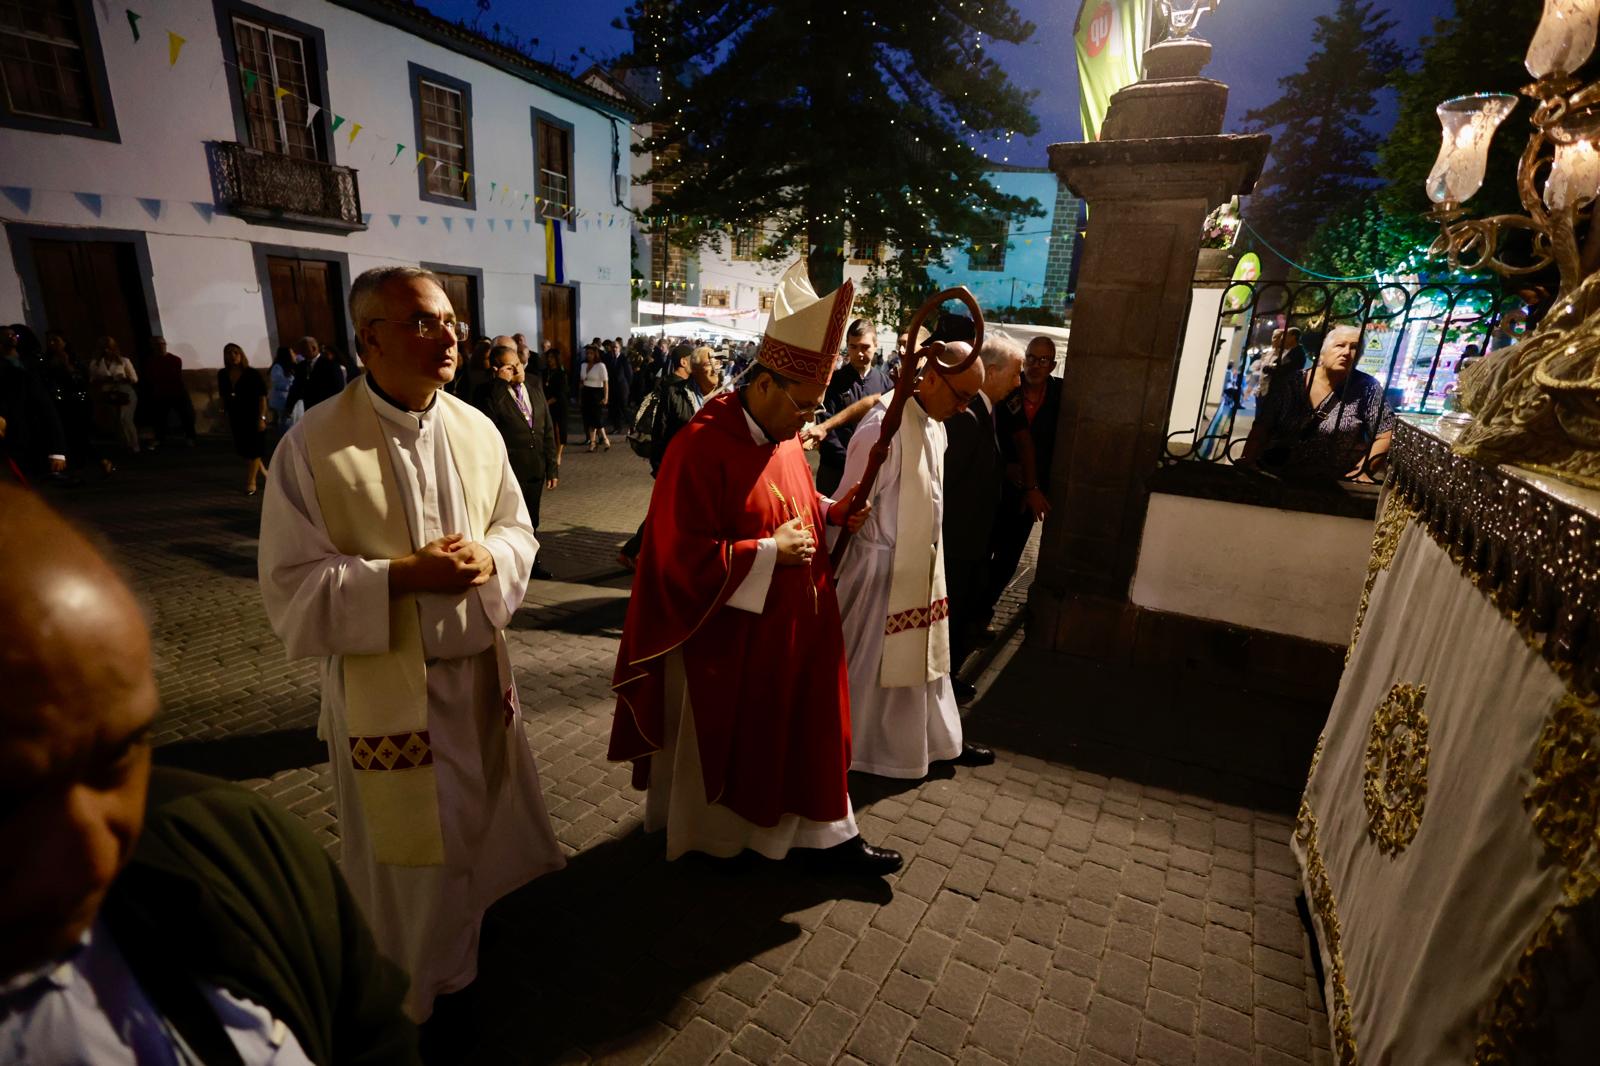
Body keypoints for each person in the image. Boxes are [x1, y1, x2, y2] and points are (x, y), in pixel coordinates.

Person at [0, 485, 421, 1064]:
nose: (95, 853)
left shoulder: (242, 849)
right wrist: (397, 576)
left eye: (119, 755)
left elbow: (373, 1034)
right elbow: (291, 579)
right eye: (9, 800)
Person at [258, 266, 564, 1021]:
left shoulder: (476, 427)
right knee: (406, 863)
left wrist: (492, 558)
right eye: (425, 322)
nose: (450, 335)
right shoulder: (313, 444)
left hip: (476, 681)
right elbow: (290, 584)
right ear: (370, 339)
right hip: (386, 695)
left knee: (470, 839)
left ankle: (459, 959)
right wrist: (400, 576)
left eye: (452, 321)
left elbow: (515, 527)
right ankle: (411, 997)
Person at [607, 260, 896, 876]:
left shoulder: (782, 430)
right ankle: (726, 844)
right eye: (803, 404)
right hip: (730, 640)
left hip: (798, 624)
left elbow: (790, 499)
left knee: (808, 734)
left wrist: (832, 511)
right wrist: (766, 554)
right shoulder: (699, 446)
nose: (808, 421)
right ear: (764, 384)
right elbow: (675, 555)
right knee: (750, 745)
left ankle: (819, 837)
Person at [832, 339, 993, 780]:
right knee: (872, 674)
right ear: (933, 377)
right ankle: (866, 751)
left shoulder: (936, 423)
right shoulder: (881, 428)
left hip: (922, 563)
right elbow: (847, 505)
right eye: (961, 396)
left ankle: (939, 742)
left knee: (929, 666)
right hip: (880, 572)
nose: (964, 408)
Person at [942, 334, 1024, 700]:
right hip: (956, 545)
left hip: (971, 543)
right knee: (953, 622)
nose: (1019, 383)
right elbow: (949, 482)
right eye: (1015, 374)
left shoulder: (986, 411)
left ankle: (947, 683)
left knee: (964, 621)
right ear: (992, 372)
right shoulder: (967, 414)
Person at [978, 336, 1059, 636]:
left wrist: (1034, 486)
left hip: (1030, 491)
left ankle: (983, 612)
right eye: (1031, 358)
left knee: (1009, 558)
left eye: (1043, 360)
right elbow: (1001, 435)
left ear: (1053, 365)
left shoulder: (1060, 395)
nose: (1035, 366)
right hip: (1000, 485)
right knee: (984, 552)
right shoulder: (1009, 389)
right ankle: (972, 614)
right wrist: (1006, 467)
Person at [1241, 324, 1395, 482]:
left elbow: (1385, 434)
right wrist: (1247, 459)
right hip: (1277, 475)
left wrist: (1363, 471)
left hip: (1333, 484)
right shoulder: (1292, 382)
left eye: (1354, 348)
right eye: (1339, 345)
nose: (1346, 353)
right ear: (1323, 353)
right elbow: (1262, 426)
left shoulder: (1366, 387)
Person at [617, 344, 721, 570]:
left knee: (669, 513)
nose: (715, 367)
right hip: (678, 469)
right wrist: (661, 467)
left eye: (717, 361)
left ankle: (637, 552)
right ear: (692, 367)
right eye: (709, 362)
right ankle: (649, 558)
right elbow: (661, 434)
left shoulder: (723, 397)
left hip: (708, 473)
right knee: (670, 514)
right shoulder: (674, 392)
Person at [485, 338, 559, 580]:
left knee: (532, 520)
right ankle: (510, 565)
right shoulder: (490, 393)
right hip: (510, 471)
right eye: (509, 366)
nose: (517, 370)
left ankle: (532, 563)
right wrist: (498, 384)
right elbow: (487, 421)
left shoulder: (534, 387)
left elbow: (547, 428)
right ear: (497, 370)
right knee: (509, 522)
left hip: (535, 468)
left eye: (518, 364)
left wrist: (552, 467)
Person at [803, 319, 893, 495]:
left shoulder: (886, 384)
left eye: (865, 347)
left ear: (876, 345)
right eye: (853, 347)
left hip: (872, 473)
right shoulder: (832, 382)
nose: (859, 353)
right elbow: (825, 425)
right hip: (834, 471)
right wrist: (851, 462)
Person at [0, 324, 67, 482]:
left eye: (13, 335)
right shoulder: (4, 368)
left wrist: (58, 450)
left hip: (34, 433)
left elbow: (46, 407)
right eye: (7, 335)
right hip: (13, 437)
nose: (12, 337)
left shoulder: (30, 366)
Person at [42, 331, 112, 477]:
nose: (52, 344)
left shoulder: (73, 360)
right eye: (50, 341)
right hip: (61, 403)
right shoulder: (47, 361)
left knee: (80, 435)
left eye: (56, 340)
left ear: (64, 343)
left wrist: (67, 364)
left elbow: (81, 380)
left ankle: (93, 463)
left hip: (78, 402)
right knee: (72, 436)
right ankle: (90, 464)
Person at [217, 342, 270, 495]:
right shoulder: (223, 374)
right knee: (244, 449)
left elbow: (262, 398)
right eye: (229, 353)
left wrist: (262, 417)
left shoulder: (252, 373)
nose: (232, 356)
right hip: (235, 415)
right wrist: (221, 414)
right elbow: (222, 396)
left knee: (255, 448)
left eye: (235, 352)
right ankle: (263, 471)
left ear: (241, 354)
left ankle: (251, 482)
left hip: (252, 414)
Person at [88, 336, 140, 454]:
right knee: (116, 420)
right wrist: (104, 379)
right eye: (104, 348)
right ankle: (125, 444)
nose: (107, 351)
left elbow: (134, 379)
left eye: (109, 348)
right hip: (109, 394)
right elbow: (92, 380)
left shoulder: (124, 361)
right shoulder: (95, 363)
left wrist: (122, 378)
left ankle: (134, 445)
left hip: (125, 393)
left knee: (126, 419)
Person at [143, 337, 196, 448]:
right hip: (160, 393)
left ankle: (190, 437)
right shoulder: (150, 361)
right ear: (153, 347)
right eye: (157, 344)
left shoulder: (175, 359)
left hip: (177, 392)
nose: (161, 346)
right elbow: (151, 378)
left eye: (163, 344)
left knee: (187, 415)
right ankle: (159, 438)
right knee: (158, 418)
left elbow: (174, 376)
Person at [292, 335, 345, 411]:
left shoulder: (330, 365)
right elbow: (296, 387)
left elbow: (338, 387)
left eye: (304, 349)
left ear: (313, 348)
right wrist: (289, 406)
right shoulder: (301, 366)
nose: (301, 353)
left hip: (327, 407)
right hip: (309, 409)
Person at [580, 344, 610, 451]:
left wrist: (606, 397)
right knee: (589, 419)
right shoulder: (583, 365)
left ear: (595, 354)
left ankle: (605, 439)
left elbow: (606, 382)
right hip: (586, 392)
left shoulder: (600, 366)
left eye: (591, 353)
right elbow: (582, 380)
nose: (589, 355)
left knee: (597, 418)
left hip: (597, 393)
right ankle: (593, 442)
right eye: (587, 353)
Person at [268, 344, 298, 430]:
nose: (294, 354)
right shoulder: (277, 367)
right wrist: (292, 384)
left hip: (292, 399)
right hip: (283, 400)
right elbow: (278, 383)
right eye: (292, 352)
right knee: (287, 424)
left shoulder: (293, 366)